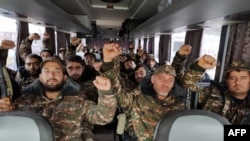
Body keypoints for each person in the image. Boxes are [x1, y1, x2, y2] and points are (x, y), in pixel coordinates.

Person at [0, 57, 117, 140]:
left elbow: (103, 117)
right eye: (47, 72)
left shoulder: (77, 100)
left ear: (65, 78)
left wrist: (106, 93)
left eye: (57, 71)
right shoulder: (22, 102)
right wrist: (4, 111)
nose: (52, 75)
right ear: (40, 77)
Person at [100, 42, 185, 141]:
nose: (165, 83)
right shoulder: (137, 97)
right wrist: (108, 62)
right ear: (152, 79)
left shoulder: (179, 104)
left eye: (170, 80)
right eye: (161, 78)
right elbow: (116, 90)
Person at [182, 55, 250, 124]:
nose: (237, 82)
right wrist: (199, 67)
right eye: (232, 78)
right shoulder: (212, 93)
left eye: (243, 78)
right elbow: (188, 86)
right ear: (227, 81)